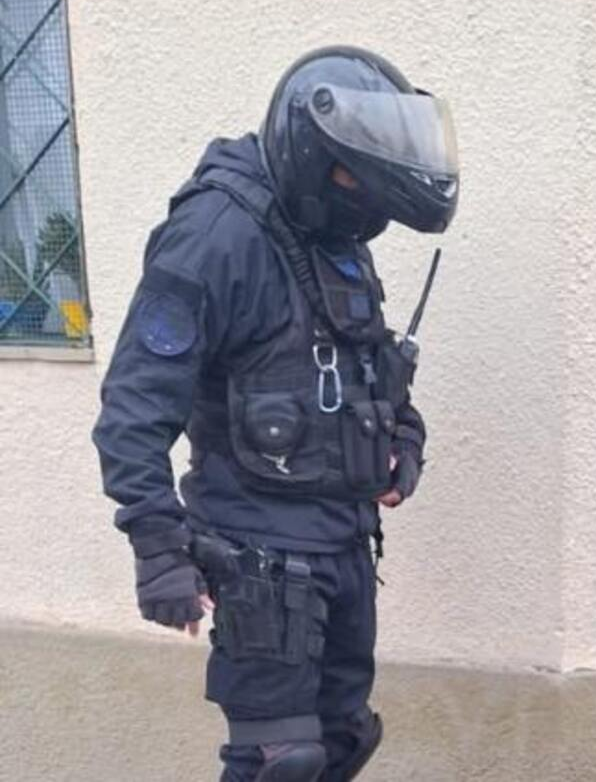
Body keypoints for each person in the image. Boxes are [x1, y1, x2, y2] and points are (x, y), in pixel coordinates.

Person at [92, 45, 459, 781]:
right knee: (279, 762)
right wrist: (157, 546)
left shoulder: (335, 240)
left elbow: (367, 366)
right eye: (355, 178)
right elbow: (135, 401)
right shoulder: (215, 235)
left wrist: (403, 437)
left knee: (342, 742)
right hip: (260, 552)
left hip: (344, 544)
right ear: (312, 157)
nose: (369, 202)